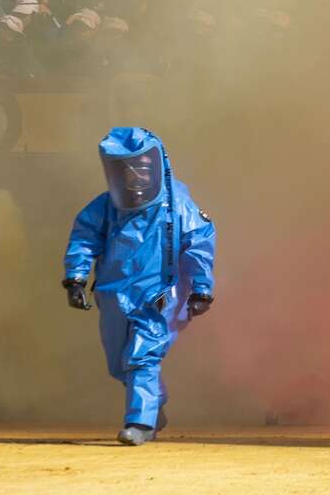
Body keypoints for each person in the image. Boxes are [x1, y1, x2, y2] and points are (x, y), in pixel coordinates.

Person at [63, 127, 216, 446]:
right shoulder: (105, 207)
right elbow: (84, 239)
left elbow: (199, 245)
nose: (135, 177)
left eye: (143, 169)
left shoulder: (178, 206)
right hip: (113, 294)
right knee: (120, 362)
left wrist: (201, 289)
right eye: (126, 170)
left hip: (159, 293)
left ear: (156, 166)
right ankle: (153, 404)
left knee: (141, 356)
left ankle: (140, 422)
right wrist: (76, 278)